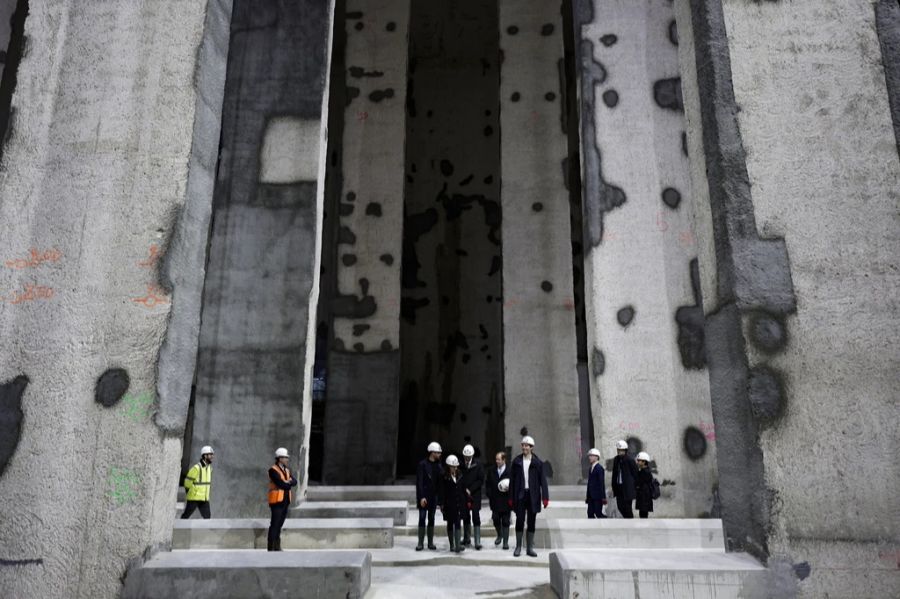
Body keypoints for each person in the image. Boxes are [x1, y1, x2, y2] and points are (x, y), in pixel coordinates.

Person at [509, 435, 549, 557]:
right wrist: (511, 497)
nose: (524, 447)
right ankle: (518, 547)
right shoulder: (516, 462)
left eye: (527, 446)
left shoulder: (537, 463)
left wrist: (545, 497)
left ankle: (529, 548)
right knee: (520, 520)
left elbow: (543, 480)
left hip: (533, 495)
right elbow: (512, 481)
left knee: (531, 522)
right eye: (523, 445)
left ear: (531, 447)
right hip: (520, 495)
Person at [267, 447, 298, 551]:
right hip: (276, 501)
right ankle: (271, 547)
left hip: (285, 501)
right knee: (274, 524)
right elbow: (280, 484)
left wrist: (287, 482)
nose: (287, 459)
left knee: (280, 524)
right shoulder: (273, 470)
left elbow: (295, 482)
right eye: (285, 457)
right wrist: (288, 483)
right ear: (280, 458)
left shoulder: (287, 470)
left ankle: (277, 546)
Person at [415, 441, 443, 551]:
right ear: (432, 453)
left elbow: (440, 483)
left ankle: (430, 542)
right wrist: (421, 497)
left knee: (431, 518)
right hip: (424, 496)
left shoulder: (439, 466)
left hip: (433, 496)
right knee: (422, 518)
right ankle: (420, 543)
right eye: (438, 452)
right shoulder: (422, 464)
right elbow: (419, 482)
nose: (440, 454)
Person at [439, 454, 467, 553]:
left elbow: (463, 488)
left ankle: (458, 545)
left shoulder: (460, 474)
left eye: (456, 466)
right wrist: (441, 504)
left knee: (458, 522)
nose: (455, 468)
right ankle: (452, 545)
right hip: (449, 504)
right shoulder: (444, 477)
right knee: (450, 523)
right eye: (453, 466)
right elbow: (441, 491)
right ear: (448, 466)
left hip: (459, 502)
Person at [460, 444, 485, 549]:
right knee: (465, 516)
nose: (467, 458)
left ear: (472, 456)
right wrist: (464, 489)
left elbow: (480, 479)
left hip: (475, 494)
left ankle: (477, 541)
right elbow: (459, 477)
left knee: (475, 515)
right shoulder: (460, 465)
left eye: (469, 456)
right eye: (465, 456)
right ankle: (466, 538)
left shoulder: (478, 464)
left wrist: (471, 489)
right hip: (464, 494)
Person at [485, 451, 511, 549]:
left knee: (505, 521)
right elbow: (487, 483)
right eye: (496, 459)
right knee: (495, 519)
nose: (497, 461)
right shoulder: (491, 470)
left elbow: (513, 483)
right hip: (495, 500)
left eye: (499, 459)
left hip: (505, 500)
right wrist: (489, 494)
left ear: (504, 460)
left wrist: (510, 492)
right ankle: (499, 534)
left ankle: (505, 542)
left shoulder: (509, 471)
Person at [181, 445, 214, 519]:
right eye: (210, 455)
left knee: (207, 517)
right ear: (205, 456)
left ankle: (206, 530)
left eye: (212, 454)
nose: (212, 456)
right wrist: (191, 492)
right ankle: (179, 528)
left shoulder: (209, 468)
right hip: (194, 498)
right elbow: (187, 483)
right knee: (186, 516)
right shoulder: (196, 468)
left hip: (204, 498)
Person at [611, 440, 638, 518]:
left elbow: (636, 474)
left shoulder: (630, 460)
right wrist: (614, 487)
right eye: (618, 450)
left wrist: (635, 487)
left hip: (628, 488)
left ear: (625, 451)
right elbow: (614, 474)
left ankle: (630, 522)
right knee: (620, 506)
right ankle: (628, 520)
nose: (619, 452)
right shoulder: (616, 460)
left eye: (621, 450)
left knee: (627, 508)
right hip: (619, 487)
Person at [585, 447, 607, 519]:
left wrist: (603, 497)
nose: (589, 457)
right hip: (591, 496)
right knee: (590, 514)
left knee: (598, 513)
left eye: (591, 456)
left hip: (597, 496)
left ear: (596, 457)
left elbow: (601, 483)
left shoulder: (599, 468)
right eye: (589, 456)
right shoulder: (590, 468)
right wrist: (587, 496)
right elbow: (589, 483)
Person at [635, 451, 654, 519]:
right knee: (643, 514)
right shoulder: (645, 471)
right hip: (644, 497)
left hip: (644, 497)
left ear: (644, 462)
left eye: (639, 460)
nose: (637, 462)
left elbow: (639, 482)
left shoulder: (644, 472)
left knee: (643, 515)